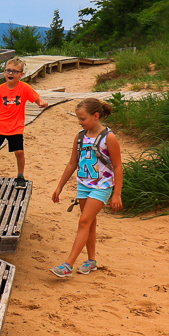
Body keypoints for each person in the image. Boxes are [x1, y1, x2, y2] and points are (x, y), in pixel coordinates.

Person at [49, 98, 124, 278]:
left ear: (96, 116)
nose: (80, 122)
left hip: (102, 186)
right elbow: (72, 163)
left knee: (83, 221)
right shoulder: (80, 137)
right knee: (89, 223)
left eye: (83, 119)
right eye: (79, 120)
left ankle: (67, 265)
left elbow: (118, 166)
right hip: (83, 185)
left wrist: (117, 194)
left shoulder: (109, 138)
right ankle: (91, 262)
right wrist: (60, 186)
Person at [0, 57, 48, 188]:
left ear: (21, 74)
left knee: (19, 152)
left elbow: (38, 99)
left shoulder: (25, 88)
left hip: (16, 127)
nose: (11, 74)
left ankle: (20, 176)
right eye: (8, 71)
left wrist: (42, 103)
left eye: (14, 71)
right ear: (4, 72)